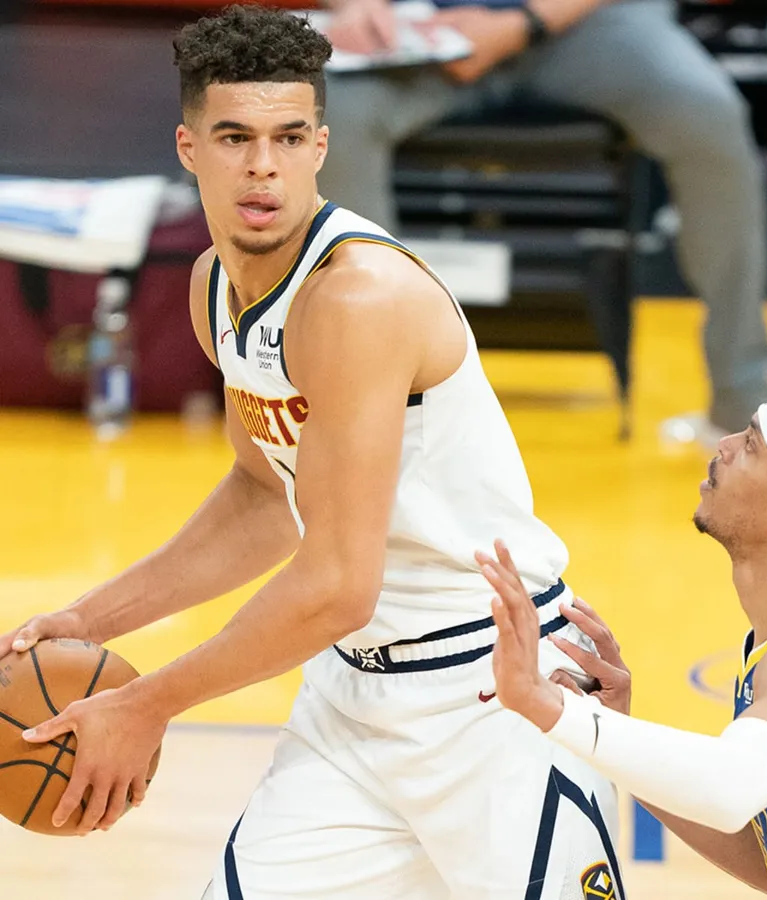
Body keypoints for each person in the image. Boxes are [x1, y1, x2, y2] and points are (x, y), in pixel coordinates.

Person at [0, 6, 624, 898]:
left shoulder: (358, 299)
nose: (265, 166)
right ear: (188, 147)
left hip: (493, 694)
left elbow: (336, 584)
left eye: (289, 138)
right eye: (236, 138)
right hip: (355, 695)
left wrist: (146, 702)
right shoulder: (213, 285)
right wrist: (88, 621)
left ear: (321, 146)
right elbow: (264, 499)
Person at [480, 386, 767, 898]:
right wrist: (617, 726)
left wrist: (546, 705)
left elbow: (730, 789)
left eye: (752, 445)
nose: (724, 444)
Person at [319, 0, 767, 437]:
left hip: (587, 24)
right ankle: (375, 404)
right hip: (426, 28)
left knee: (705, 110)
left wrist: (523, 23)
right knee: (328, 116)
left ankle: (742, 400)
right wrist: (358, 7)